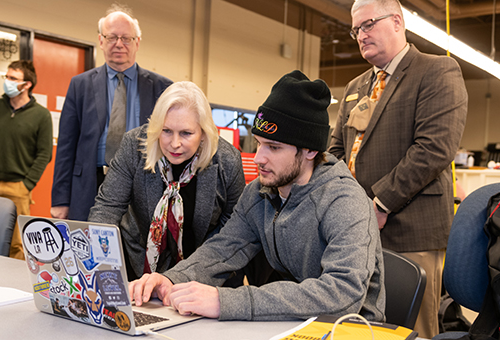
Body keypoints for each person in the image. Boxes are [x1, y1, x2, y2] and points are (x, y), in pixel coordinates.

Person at [128, 70, 385, 321]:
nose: (259, 158)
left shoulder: (345, 202)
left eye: (273, 147)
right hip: (293, 321)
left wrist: (226, 301)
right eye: (259, 143)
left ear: (309, 151)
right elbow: (224, 249)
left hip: (355, 328)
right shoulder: (261, 192)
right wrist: (172, 279)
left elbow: (343, 293)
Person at [328, 0, 467, 337]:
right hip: (356, 230)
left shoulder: (437, 71)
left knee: (412, 327)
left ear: (396, 22)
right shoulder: (354, 87)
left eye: (368, 25)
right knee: (364, 325)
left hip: (410, 230)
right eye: (355, 29)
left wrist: (380, 203)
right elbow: (335, 152)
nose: (360, 35)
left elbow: (434, 149)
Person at [88, 81, 246, 283]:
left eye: (186, 133)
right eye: (166, 131)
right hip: (137, 260)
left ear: (204, 133)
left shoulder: (227, 160)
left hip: (200, 268)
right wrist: (100, 267)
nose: (175, 143)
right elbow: (107, 208)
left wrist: (184, 277)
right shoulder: (134, 145)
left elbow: (232, 231)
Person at [51, 4, 172, 221]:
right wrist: (60, 200)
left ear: (137, 42)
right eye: (111, 37)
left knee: (134, 251)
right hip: (89, 185)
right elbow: (66, 146)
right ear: (100, 40)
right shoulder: (80, 85)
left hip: (142, 185)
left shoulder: (161, 88)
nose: (119, 44)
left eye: (126, 38)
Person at [0, 60, 53, 260]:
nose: (8, 82)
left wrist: (27, 184)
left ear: (27, 84)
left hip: (18, 188)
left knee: (16, 245)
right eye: (7, 77)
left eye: (13, 78)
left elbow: (45, 153)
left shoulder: (41, 115)